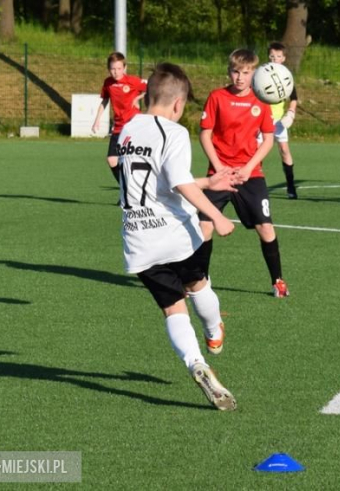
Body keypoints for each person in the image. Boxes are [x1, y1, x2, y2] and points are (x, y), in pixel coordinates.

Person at [118, 62, 241, 411]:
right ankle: (214, 329)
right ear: (178, 104)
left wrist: (208, 182)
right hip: (174, 233)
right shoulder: (172, 133)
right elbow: (177, 181)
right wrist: (216, 215)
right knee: (198, 284)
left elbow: (154, 179)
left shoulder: (128, 130)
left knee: (173, 309)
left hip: (137, 239)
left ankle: (196, 363)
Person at [198, 48, 290, 298]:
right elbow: (205, 134)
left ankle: (278, 281)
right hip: (219, 174)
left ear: (254, 73)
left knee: (266, 228)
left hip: (250, 175)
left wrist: (248, 168)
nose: (240, 77)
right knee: (203, 227)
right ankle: (201, 280)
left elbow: (268, 139)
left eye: (246, 72)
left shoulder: (262, 99)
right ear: (229, 71)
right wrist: (218, 168)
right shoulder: (217, 96)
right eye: (236, 72)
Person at [93, 52, 147, 186]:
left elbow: (151, 88)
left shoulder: (132, 81)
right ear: (108, 68)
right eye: (112, 69)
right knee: (112, 160)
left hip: (133, 126)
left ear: (124, 68)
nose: (116, 72)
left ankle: (135, 190)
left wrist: (137, 98)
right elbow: (105, 101)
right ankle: (126, 188)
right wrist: (97, 120)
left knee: (130, 159)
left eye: (118, 69)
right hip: (118, 127)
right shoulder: (108, 83)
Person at [267, 41, 300, 199]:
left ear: (284, 58)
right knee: (255, 152)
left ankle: (291, 186)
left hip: (278, 121)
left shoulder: (286, 75)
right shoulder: (262, 74)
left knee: (285, 151)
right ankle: (248, 185)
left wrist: (291, 113)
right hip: (261, 120)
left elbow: (294, 97)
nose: (275, 58)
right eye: (272, 56)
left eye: (278, 56)